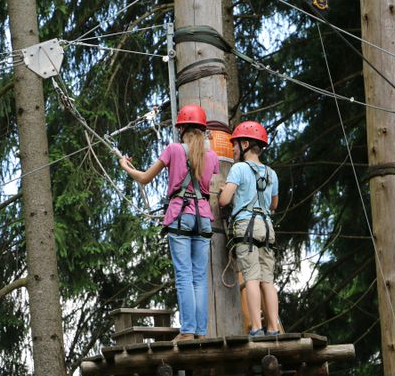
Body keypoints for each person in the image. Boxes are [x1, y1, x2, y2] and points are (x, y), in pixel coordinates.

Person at [119, 104, 219, 341]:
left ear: (181, 128)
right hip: (203, 217)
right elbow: (210, 181)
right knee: (199, 277)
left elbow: (144, 178)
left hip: (180, 215)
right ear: (203, 130)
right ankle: (200, 332)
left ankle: (187, 331)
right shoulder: (211, 155)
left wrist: (124, 165)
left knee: (184, 274)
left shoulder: (173, 150)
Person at [218, 121, 280, 337]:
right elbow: (274, 205)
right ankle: (273, 328)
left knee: (251, 277)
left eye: (235, 144)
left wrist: (224, 192)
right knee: (267, 280)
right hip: (267, 227)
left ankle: (256, 327)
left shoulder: (239, 168)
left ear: (245, 143)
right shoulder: (271, 173)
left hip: (247, 226)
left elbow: (225, 199)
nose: (233, 149)